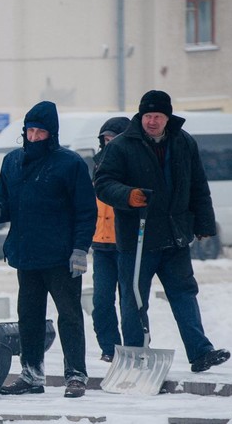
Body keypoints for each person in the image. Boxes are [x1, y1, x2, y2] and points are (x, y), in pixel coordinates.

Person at [94, 90, 230, 373]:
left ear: (167, 117)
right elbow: (103, 182)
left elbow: (198, 184)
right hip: (137, 238)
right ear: (140, 116)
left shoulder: (183, 142)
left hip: (174, 235)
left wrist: (203, 223)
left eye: (157, 116)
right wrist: (128, 195)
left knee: (184, 293)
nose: (152, 121)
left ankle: (200, 351)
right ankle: (134, 355)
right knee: (134, 299)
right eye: (147, 115)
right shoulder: (121, 146)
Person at [0, 101, 97, 398]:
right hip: (26, 254)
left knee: (69, 315)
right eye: (29, 131)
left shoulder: (69, 164)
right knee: (28, 317)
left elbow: (86, 211)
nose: (33, 137)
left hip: (62, 257)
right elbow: (7, 203)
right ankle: (31, 375)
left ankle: (75, 375)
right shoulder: (12, 162)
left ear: (52, 134)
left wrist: (80, 248)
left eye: (39, 132)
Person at [90, 116, 130, 363]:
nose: (108, 143)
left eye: (113, 138)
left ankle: (135, 346)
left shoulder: (133, 164)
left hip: (126, 243)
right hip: (101, 243)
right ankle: (109, 348)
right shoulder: (96, 165)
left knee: (130, 301)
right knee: (101, 300)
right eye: (105, 139)